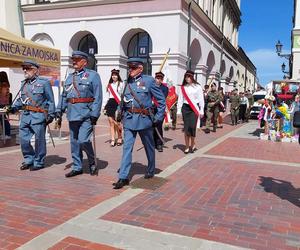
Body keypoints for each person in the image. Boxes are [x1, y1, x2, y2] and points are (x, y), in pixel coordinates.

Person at [113, 58, 166, 189]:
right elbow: (123, 101)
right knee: (127, 148)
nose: (130, 70)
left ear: (140, 69)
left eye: (133, 67)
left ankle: (151, 168)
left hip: (144, 120)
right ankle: (123, 177)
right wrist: (119, 113)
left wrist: (158, 118)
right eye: (129, 67)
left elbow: (161, 100)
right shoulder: (126, 83)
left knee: (149, 146)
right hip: (129, 119)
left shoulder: (148, 81)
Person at [56, 51, 102, 178]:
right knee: (75, 142)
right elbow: (64, 95)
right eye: (73, 59)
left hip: (86, 114)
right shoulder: (70, 77)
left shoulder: (93, 76)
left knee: (83, 140)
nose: (74, 61)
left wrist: (95, 114)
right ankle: (77, 167)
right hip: (72, 113)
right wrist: (58, 110)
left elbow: (98, 96)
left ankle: (92, 161)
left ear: (84, 62)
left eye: (77, 59)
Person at [6, 60, 55, 170]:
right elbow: (21, 100)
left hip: (38, 116)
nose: (24, 70)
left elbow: (51, 101)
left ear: (35, 70)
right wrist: (13, 108)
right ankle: (29, 159)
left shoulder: (44, 83)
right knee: (23, 140)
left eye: (27, 68)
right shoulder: (23, 83)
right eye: (24, 68)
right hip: (26, 116)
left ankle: (39, 162)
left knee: (39, 141)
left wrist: (51, 115)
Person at [179, 70, 204, 153]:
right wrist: (178, 111)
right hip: (185, 108)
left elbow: (201, 99)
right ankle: (186, 146)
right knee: (186, 128)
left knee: (192, 127)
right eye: (186, 76)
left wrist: (201, 110)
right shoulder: (183, 87)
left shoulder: (198, 87)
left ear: (192, 77)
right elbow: (180, 99)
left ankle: (192, 144)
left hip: (194, 109)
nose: (187, 78)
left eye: (189, 76)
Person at [104, 69, 124, 147]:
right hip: (110, 104)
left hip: (118, 104)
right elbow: (107, 96)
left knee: (117, 123)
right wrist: (104, 106)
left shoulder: (121, 84)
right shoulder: (109, 85)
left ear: (118, 76)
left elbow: (123, 95)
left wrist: (123, 105)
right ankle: (112, 139)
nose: (114, 76)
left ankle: (119, 137)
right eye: (113, 75)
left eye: (115, 75)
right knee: (111, 122)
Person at [153, 71, 168, 152]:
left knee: (158, 126)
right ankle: (152, 143)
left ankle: (159, 144)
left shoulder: (165, 88)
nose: (158, 80)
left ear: (162, 80)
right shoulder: (151, 86)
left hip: (160, 110)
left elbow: (162, 98)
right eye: (157, 78)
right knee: (151, 127)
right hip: (151, 110)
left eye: (160, 79)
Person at [0, 73, 12, 139]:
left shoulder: (3, 85)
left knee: (4, 120)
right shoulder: (7, 85)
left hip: (2, 104)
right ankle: (6, 133)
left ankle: (7, 134)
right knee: (4, 119)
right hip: (6, 104)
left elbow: (3, 95)